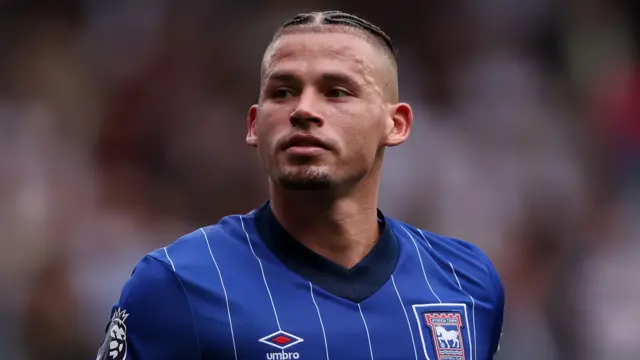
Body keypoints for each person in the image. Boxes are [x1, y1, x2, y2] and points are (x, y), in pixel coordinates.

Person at [96, 10, 504, 360]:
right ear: (255, 125)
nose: (304, 110)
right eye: (283, 92)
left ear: (395, 125)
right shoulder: (177, 283)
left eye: (337, 92)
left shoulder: (466, 283)